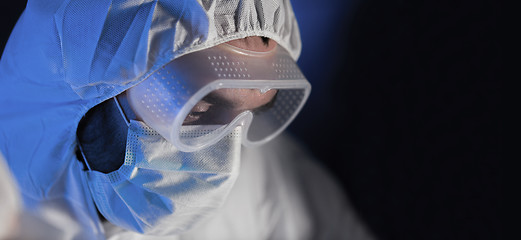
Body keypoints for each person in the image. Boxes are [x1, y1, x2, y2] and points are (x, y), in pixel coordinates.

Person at [0, 0, 373, 239]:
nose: (225, 163)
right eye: (196, 109)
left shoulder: (272, 182)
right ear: (91, 87)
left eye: (249, 116)